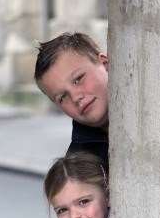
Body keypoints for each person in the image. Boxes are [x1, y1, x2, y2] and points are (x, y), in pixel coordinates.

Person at [34, 32, 109, 167]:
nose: (75, 97)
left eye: (78, 79)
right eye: (62, 97)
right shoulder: (78, 171)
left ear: (105, 64)